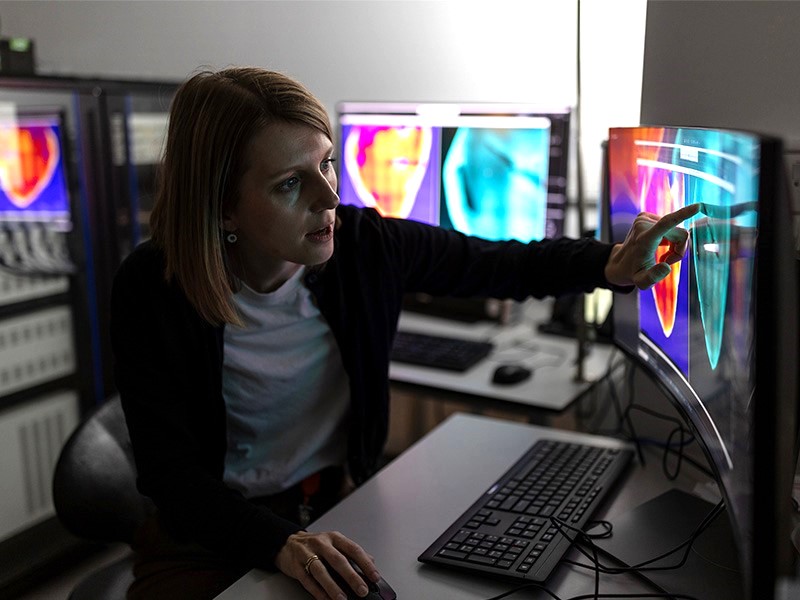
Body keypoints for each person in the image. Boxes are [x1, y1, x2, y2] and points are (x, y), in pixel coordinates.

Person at [110, 65, 699, 600]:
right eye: (290, 184)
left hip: (331, 502)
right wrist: (277, 544)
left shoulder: (366, 248)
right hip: (210, 531)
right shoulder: (154, 286)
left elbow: (500, 264)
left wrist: (609, 265)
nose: (330, 197)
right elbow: (172, 479)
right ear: (222, 208)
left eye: (327, 163)